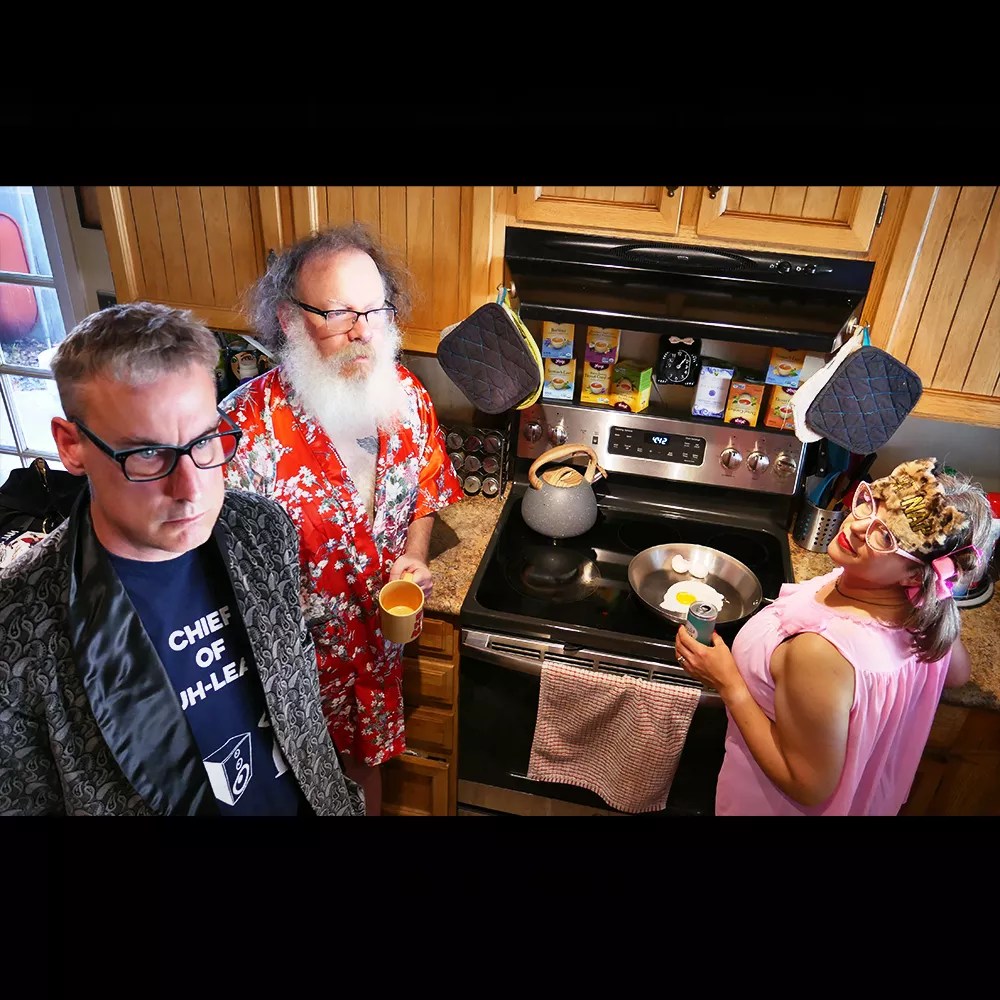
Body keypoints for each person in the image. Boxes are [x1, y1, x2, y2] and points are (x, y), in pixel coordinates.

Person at [0, 302, 364, 817]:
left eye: (205, 439)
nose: (192, 489)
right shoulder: (19, 626)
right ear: (72, 445)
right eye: (148, 453)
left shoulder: (260, 529)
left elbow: (298, 712)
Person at [221, 223, 463, 815]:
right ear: (289, 319)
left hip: (377, 653)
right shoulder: (241, 430)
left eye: (375, 310)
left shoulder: (405, 396)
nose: (363, 331)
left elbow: (426, 486)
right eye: (338, 314)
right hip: (289, 684)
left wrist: (415, 554)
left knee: (364, 782)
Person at [674, 457, 993, 816]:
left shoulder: (821, 651)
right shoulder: (911, 607)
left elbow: (807, 785)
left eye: (885, 536)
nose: (857, 526)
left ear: (915, 576)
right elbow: (957, 673)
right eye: (872, 502)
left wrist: (728, 683)